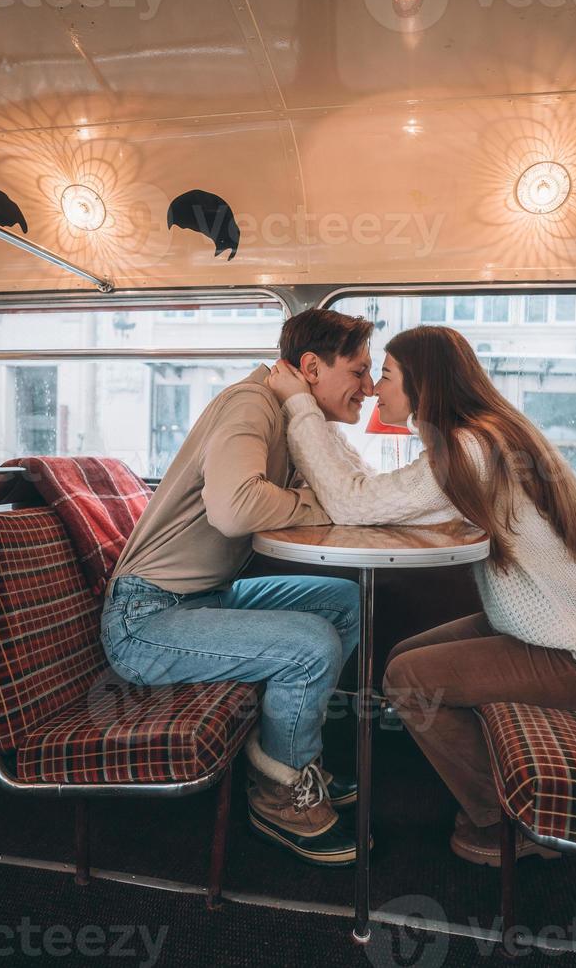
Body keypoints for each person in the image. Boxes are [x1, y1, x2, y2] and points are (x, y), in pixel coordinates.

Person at [268, 323, 576, 867]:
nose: (375, 389)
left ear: (423, 385)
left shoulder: (469, 449)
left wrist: (301, 407)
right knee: (400, 658)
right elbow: (375, 496)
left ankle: (504, 822)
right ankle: (485, 787)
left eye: (388, 375)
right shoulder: (480, 435)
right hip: (564, 631)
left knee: (408, 678)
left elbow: (355, 506)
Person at [101, 307, 374, 866]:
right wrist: (312, 502)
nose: (369, 388)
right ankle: (281, 793)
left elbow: (349, 485)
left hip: (202, 598)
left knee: (342, 601)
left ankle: (288, 750)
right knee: (312, 645)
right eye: (360, 372)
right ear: (312, 366)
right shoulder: (250, 404)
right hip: (145, 621)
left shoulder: (293, 415)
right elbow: (234, 509)